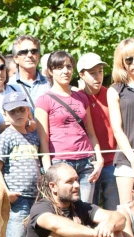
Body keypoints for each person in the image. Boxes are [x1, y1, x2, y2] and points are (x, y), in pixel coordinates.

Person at [35, 51, 104, 203]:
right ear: (51, 71)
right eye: (59, 67)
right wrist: (48, 171)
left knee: (85, 210)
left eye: (68, 66)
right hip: (61, 163)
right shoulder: (44, 100)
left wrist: (99, 159)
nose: (65, 71)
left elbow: (90, 132)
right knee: (64, 212)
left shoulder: (81, 97)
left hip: (86, 161)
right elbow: (43, 141)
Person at [0, 92, 41, 237]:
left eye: (22, 109)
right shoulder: (6, 138)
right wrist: (5, 192)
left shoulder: (34, 136)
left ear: (28, 110)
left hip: (36, 196)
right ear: (5, 114)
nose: (18, 114)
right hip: (17, 198)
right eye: (13, 111)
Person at [77, 53, 119, 211]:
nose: (98, 76)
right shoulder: (77, 98)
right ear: (81, 74)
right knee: (88, 211)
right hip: (88, 164)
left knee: (114, 210)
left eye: (100, 71)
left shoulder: (111, 94)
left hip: (113, 162)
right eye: (92, 72)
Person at [107, 38, 134, 204]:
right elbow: (117, 130)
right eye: (129, 59)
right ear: (121, 63)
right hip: (127, 159)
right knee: (127, 211)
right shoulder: (115, 90)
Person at [8, 35, 50, 108]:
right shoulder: (9, 85)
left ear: (38, 56)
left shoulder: (50, 83)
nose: (30, 55)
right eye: (24, 52)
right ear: (15, 58)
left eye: (34, 51)